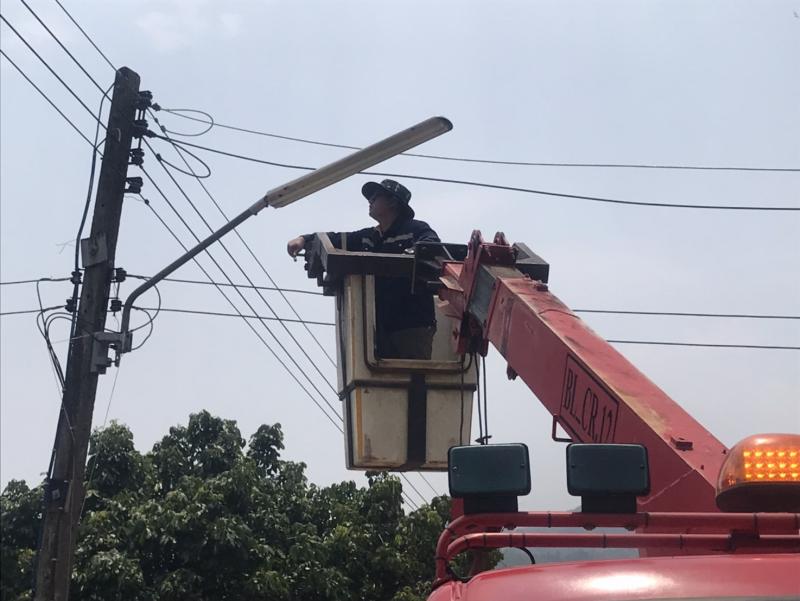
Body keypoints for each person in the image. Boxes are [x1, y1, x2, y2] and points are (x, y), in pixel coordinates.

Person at [287, 179, 440, 360]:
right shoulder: (370, 237)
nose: (370, 201)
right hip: (380, 327)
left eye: (375, 197)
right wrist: (304, 239)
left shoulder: (415, 229)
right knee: (384, 374)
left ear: (393, 202)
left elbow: (432, 246)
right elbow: (335, 239)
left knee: (412, 375)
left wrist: (410, 253)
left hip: (413, 325)